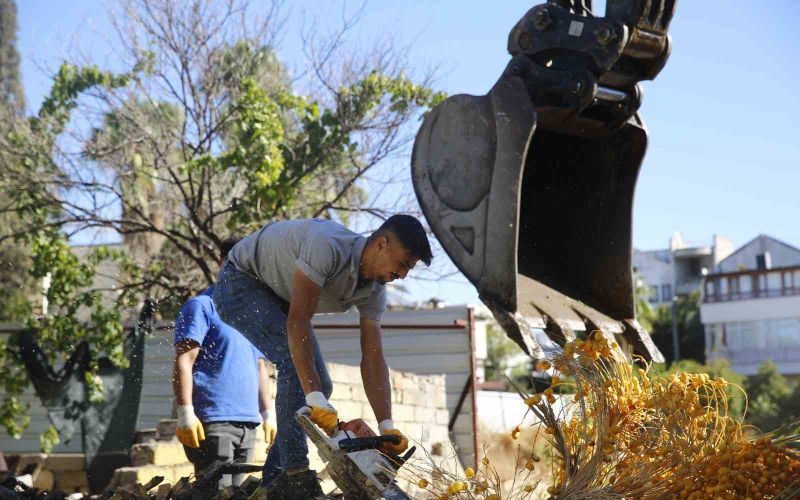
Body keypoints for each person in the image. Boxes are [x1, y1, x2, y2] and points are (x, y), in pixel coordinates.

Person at [213, 215, 433, 498]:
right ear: (381, 244)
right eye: (402, 264)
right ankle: (295, 474)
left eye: (408, 269)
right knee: (300, 374)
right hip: (240, 282)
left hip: (277, 295)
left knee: (320, 386)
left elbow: (373, 356)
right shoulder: (326, 245)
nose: (402, 274)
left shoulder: (375, 291)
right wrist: (313, 396)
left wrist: (386, 425)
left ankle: (272, 484)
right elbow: (298, 321)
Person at [172, 237, 277, 490]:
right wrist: (185, 413)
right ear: (224, 263)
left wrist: (268, 414)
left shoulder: (247, 314)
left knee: (239, 495)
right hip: (214, 422)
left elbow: (259, 366)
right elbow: (183, 361)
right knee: (215, 495)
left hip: (248, 424)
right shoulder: (201, 306)